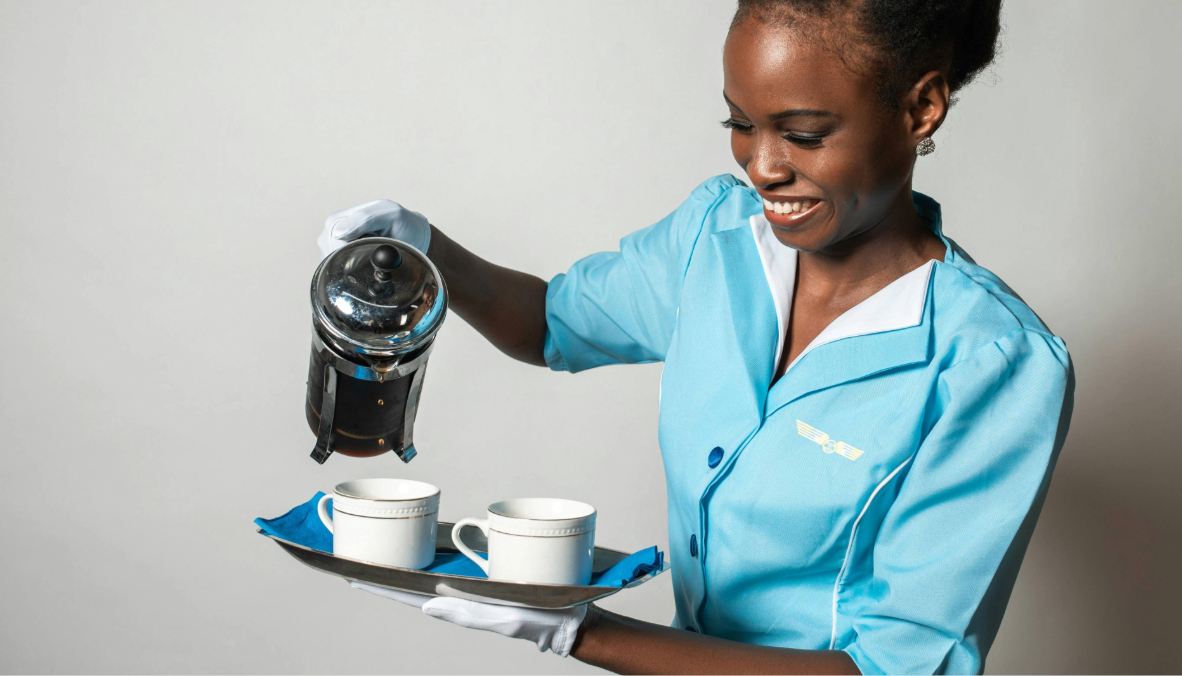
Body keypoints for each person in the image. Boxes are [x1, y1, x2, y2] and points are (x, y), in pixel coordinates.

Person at [317, 0, 1073, 673]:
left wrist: (580, 632)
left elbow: (895, 669)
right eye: (740, 125)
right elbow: (551, 321)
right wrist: (425, 251)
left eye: (803, 134)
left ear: (921, 109)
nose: (762, 167)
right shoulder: (716, 239)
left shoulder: (990, 363)